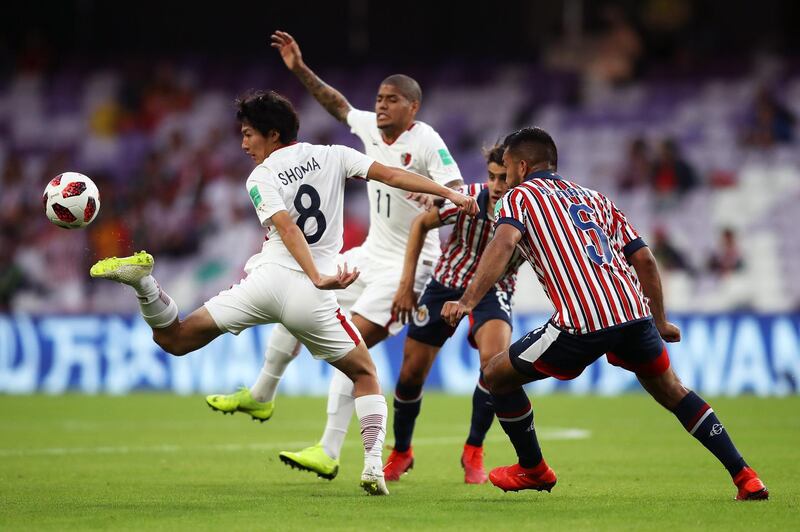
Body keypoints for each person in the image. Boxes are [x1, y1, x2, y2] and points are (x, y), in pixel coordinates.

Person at [90, 90, 477, 496]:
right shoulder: (334, 154)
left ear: (273, 134)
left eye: (248, 135)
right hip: (312, 296)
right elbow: (393, 175)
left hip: (267, 282)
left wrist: (311, 272)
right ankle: (371, 468)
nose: (243, 145)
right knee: (365, 374)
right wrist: (448, 193)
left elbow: (287, 228)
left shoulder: (259, 177)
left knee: (176, 338)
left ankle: (143, 283)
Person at [442, 127, 768, 501]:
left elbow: (503, 242)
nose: (506, 176)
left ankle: (533, 468)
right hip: (633, 314)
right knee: (673, 391)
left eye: (508, 168)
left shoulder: (518, 197)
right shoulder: (594, 197)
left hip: (581, 322)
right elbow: (643, 258)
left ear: (520, 165)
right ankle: (746, 476)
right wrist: (659, 321)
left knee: (496, 374)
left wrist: (468, 300)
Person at [205, 30, 466, 481]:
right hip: (368, 254)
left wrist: (438, 202)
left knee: (352, 349)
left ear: (412, 108)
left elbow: (458, 191)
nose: (381, 105)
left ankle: (328, 449)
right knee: (298, 290)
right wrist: (299, 68)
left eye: (392, 100)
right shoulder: (368, 129)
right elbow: (336, 103)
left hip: (409, 266)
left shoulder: (425, 141)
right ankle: (263, 393)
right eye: (379, 98)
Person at [386, 145, 525, 484]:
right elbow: (421, 224)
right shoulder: (468, 199)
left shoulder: (531, 214)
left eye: (503, 178)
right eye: (491, 176)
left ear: (518, 175)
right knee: (410, 373)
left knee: (496, 366)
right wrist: (406, 286)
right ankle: (401, 451)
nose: (495, 185)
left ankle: (473, 449)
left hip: (493, 291)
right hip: (447, 284)